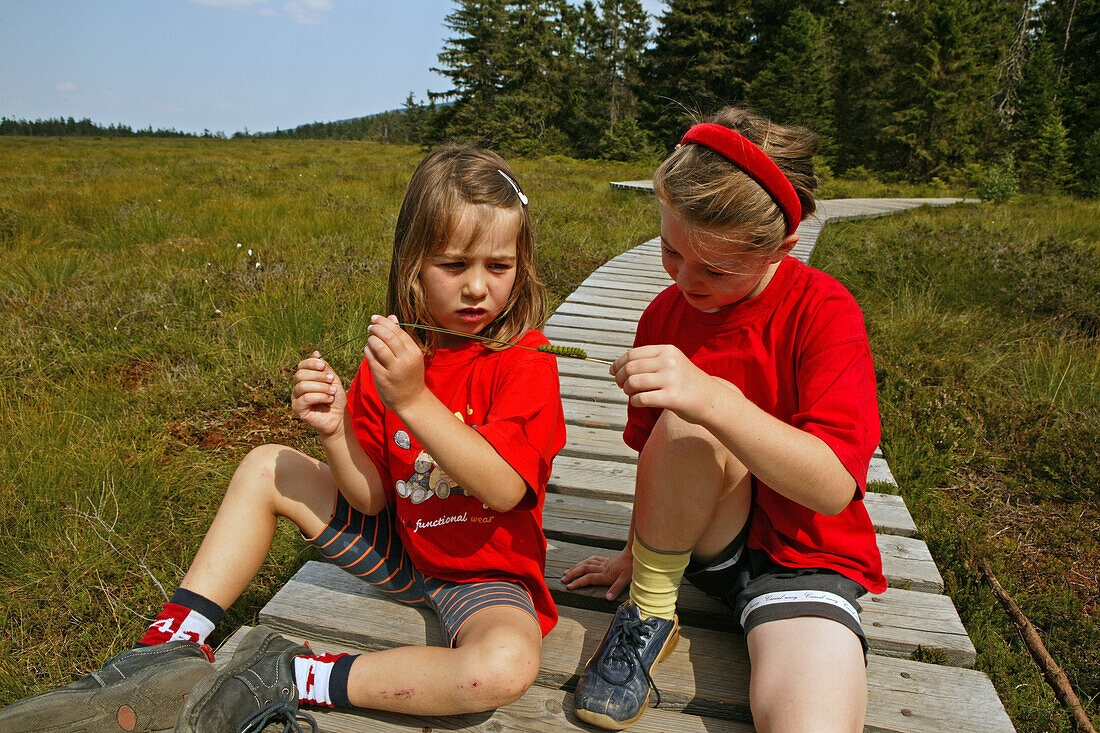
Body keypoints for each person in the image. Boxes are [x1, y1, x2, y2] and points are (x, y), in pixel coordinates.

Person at [0, 143, 566, 733]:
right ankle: (165, 646)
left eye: (498, 267)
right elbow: (371, 497)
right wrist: (335, 429)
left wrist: (415, 401)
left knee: (501, 669)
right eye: (454, 266)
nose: (477, 288)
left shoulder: (526, 358)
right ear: (413, 265)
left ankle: (290, 675)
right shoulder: (399, 355)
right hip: (404, 543)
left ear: (519, 269)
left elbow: (503, 488)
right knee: (267, 463)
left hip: (483, 572)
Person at [562, 107, 886, 732]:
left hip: (807, 558)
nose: (684, 279)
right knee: (683, 424)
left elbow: (832, 486)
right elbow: (657, 451)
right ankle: (651, 614)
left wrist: (715, 398)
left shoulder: (825, 312)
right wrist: (638, 549)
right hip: (709, 544)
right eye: (669, 251)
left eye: (714, 268)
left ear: (781, 249)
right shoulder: (664, 313)